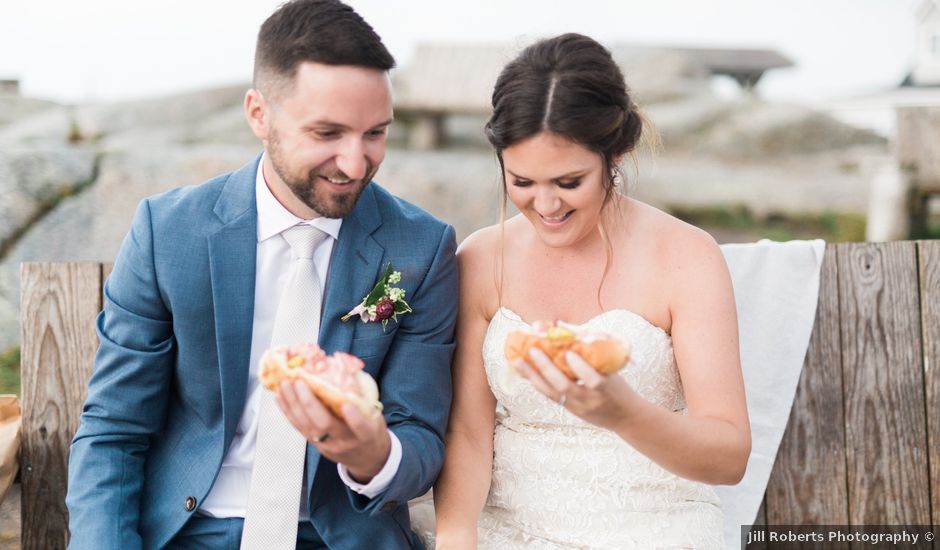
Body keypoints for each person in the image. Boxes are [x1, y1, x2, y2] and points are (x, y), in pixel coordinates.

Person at [65, 1, 457, 548]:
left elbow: (421, 437)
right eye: (327, 132)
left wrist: (372, 453)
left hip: (339, 534)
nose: (355, 162)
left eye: (375, 133)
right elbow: (114, 431)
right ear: (259, 114)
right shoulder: (169, 232)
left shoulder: (422, 246)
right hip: (189, 529)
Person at [425, 34, 751, 549]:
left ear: (614, 154)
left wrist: (622, 412)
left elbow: (729, 456)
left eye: (569, 181)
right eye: (523, 181)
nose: (546, 204)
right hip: (509, 532)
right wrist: (455, 534)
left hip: (659, 531)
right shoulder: (481, 258)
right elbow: (468, 432)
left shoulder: (687, 255)